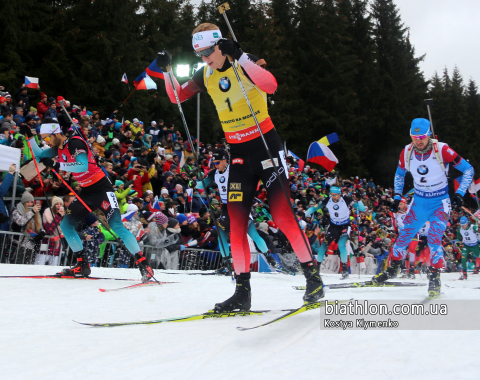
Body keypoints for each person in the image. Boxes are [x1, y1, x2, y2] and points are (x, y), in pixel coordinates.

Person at [158, 23, 323, 312]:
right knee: (235, 223)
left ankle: (313, 278)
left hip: (266, 145)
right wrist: (166, 71)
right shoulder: (206, 73)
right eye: (199, 53)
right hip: (238, 153)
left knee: (283, 216)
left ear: (221, 45)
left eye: (208, 51)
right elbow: (176, 97)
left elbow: (270, 85)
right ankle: (242, 292)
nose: (204, 57)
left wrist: (243, 56)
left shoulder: (244, 62)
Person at [26, 118, 154, 282]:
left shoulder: (75, 142)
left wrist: (58, 166)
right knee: (66, 224)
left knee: (116, 226)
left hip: (102, 189)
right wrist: (30, 136)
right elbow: (38, 155)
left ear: (56, 133)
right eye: (43, 139)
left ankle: (145, 266)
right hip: (85, 192)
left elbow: (82, 166)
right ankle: (82, 265)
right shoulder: (57, 149)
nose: (46, 142)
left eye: (46, 138)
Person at [371, 118, 474, 299]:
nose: (418, 140)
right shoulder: (407, 152)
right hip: (419, 201)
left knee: (434, 239)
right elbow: (399, 174)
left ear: (429, 135)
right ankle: (393, 268)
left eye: (422, 136)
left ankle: (434, 279)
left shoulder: (442, 149)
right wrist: (396, 196)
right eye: (414, 136)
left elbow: (468, 170)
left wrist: (459, 193)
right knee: (404, 235)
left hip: (440, 202)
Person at [314, 186, 355, 279]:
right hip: (333, 226)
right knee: (324, 245)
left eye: (335, 195)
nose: (333, 197)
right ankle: (317, 269)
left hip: (344, 226)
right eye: (332, 195)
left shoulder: (345, 199)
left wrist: (359, 203)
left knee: (342, 246)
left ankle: (344, 270)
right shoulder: (329, 200)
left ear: (339, 194)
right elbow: (317, 207)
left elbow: (359, 206)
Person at [457, 216, 480, 280]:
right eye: (461, 224)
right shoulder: (460, 228)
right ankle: (464, 275)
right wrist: (458, 241)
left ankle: (477, 268)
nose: (463, 226)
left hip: (475, 246)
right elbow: (458, 234)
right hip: (466, 246)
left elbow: (477, 228)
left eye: (464, 225)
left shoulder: (472, 227)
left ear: (467, 223)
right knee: (463, 258)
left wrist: (477, 223)